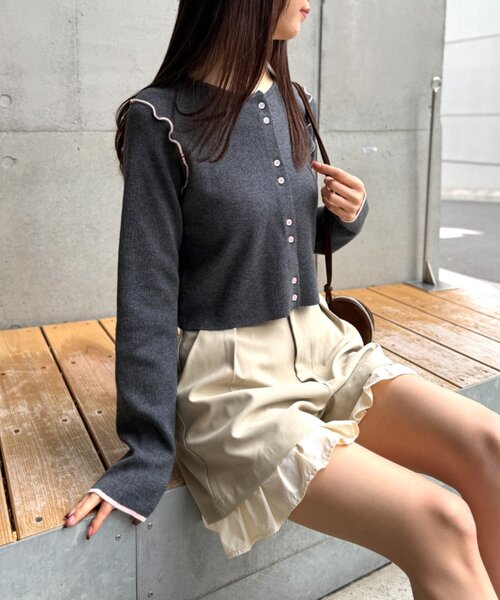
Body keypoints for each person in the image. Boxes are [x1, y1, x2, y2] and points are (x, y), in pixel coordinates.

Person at [63, 1, 500, 597]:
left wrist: (344, 217)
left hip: (323, 348)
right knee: (439, 521)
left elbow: (281, 235)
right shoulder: (158, 119)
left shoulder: (294, 99)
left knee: (490, 446)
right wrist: (145, 456)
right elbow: (147, 293)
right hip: (232, 385)